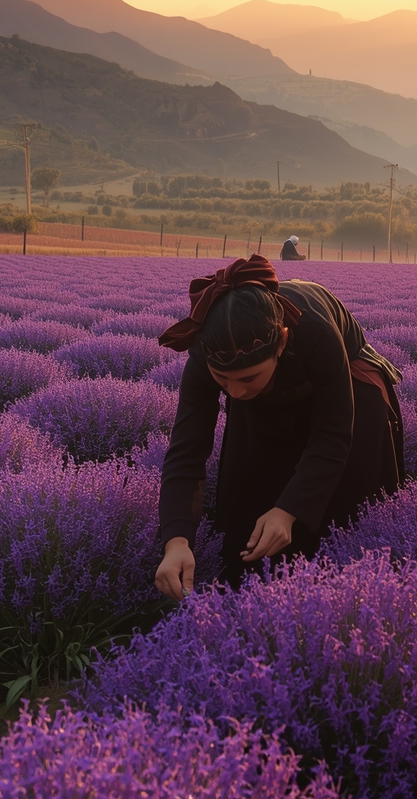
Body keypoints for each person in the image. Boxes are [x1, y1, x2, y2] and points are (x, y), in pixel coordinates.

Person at [153, 256, 403, 597]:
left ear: (282, 342)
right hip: (272, 388)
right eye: (222, 379)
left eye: (247, 378)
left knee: (345, 515)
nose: (235, 391)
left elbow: (332, 437)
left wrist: (289, 511)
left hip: (347, 387)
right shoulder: (205, 353)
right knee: (245, 507)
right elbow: (187, 449)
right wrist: (176, 541)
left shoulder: (314, 334)